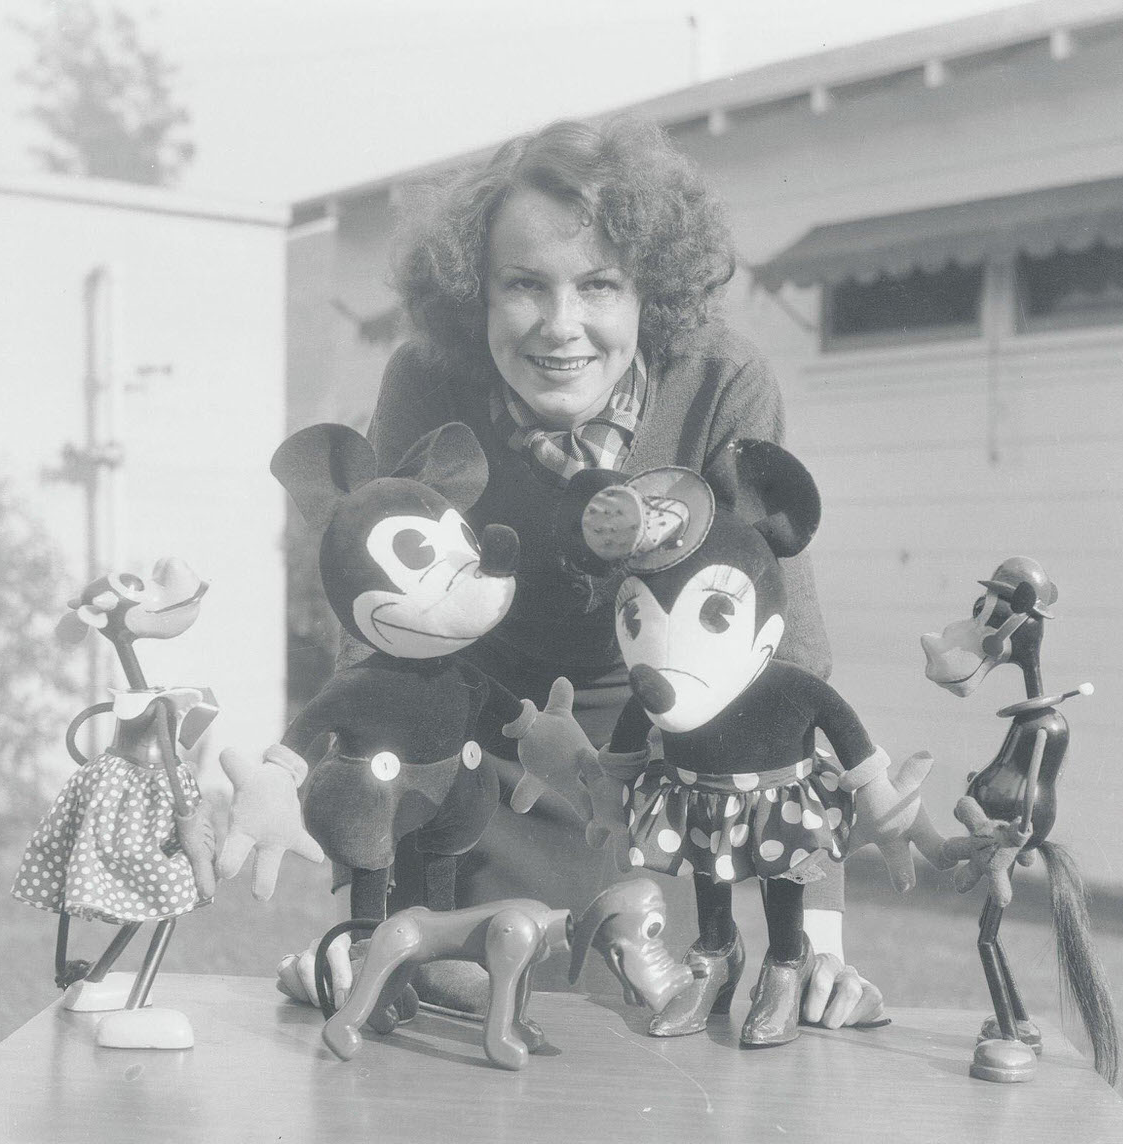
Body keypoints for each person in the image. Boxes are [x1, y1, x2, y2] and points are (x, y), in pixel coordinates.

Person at [333, 117, 881, 1026]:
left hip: (641, 761)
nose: (562, 327)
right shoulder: (425, 384)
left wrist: (817, 935)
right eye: (522, 286)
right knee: (439, 1040)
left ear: (650, 294)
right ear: (473, 295)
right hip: (472, 749)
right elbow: (377, 627)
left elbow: (784, 661)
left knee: (626, 1044)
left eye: (599, 285)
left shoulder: (720, 382)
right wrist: (362, 867)